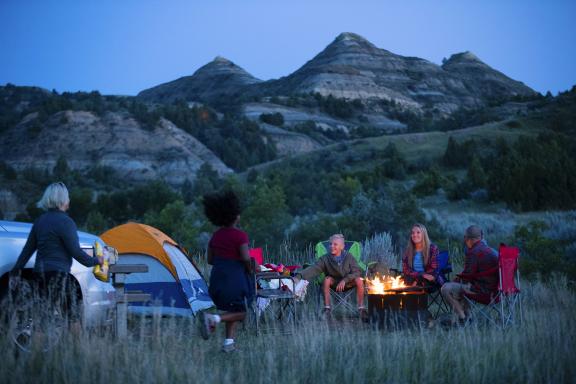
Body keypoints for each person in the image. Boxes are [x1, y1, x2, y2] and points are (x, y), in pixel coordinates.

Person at [9, 182, 103, 333]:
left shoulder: (40, 221)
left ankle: (37, 356)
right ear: (64, 200)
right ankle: (77, 352)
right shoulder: (66, 222)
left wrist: (15, 272)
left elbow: (27, 250)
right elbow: (76, 252)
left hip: (39, 275)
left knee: (40, 320)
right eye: (68, 197)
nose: (69, 200)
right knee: (73, 316)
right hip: (59, 276)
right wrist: (96, 260)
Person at [199, 190, 253, 353]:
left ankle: (228, 345)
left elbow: (209, 260)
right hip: (234, 279)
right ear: (235, 216)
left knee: (233, 310)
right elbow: (245, 258)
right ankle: (213, 319)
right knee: (242, 314)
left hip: (217, 279)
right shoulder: (240, 236)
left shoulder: (215, 236)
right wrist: (252, 268)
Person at [440, 225, 498, 325]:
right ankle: (468, 317)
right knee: (463, 286)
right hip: (498, 292)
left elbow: (467, 276)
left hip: (484, 292)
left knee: (445, 288)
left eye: (465, 238)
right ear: (481, 237)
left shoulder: (474, 252)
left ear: (468, 239)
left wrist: (454, 281)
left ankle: (463, 319)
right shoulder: (492, 251)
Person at [298, 234, 365, 318]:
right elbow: (315, 268)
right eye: (330, 244)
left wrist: (345, 280)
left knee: (359, 280)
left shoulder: (349, 257)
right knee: (327, 279)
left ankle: (361, 309)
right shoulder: (325, 258)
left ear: (342, 247)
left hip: (348, 283)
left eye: (335, 244)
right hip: (334, 283)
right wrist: (299, 276)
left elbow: (357, 272)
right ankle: (327, 309)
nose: (331, 246)